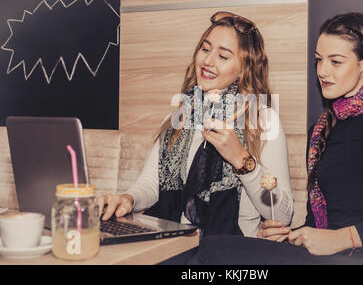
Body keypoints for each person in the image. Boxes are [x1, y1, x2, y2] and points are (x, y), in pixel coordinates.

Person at [188, 12, 363, 265]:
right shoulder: (320, 130)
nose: (322, 71)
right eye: (318, 60)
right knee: (214, 247)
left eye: (335, 62)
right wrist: (284, 236)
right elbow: (316, 224)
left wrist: (344, 239)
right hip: (327, 258)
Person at [96, 12, 294, 237]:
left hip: (231, 251)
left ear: (244, 68)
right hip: (172, 243)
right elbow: (152, 183)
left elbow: (283, 214)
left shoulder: (263, 121)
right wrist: (128, 199)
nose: (207, 61)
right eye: (205, 49)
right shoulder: (178, 118)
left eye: (223, 56)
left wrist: (240, 159)